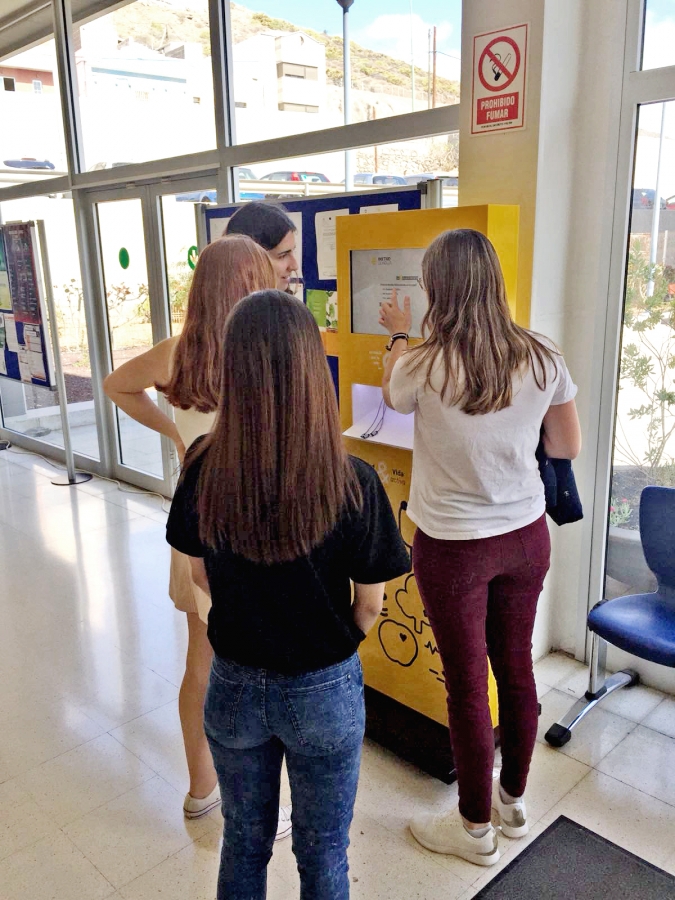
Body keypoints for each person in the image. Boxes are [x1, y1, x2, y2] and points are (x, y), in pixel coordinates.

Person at [166, 290, 410, 900]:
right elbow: (372, 603)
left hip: (234, 683)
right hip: (324, 685)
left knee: (244, 843)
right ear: (311, 372)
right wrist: (338, 641)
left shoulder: (203, 467)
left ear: (234, 372)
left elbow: (199, 575)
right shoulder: (351, 479)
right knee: (324, 850)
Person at [379, 228, 581, 867]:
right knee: (516, 669)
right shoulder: (543, 356)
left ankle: (472, 830)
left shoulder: (420, 362)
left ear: (438, 288)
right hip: (525, 537)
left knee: (467, 687)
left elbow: (390, 395)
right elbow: (566, 446)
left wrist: (396, 335)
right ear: (493, 281)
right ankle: (512, 802)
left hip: (453, 548)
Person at [103, 236, 292, 839]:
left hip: (199, 527)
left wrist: (179, 438)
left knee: (202, 663)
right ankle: (262, 799)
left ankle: (201, 790)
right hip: (264, 529)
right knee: (270, 665)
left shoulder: (180, 353)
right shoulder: (273, 348)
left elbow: (114, 384)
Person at [226, 202, 299, 292]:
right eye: (282, 256)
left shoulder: (283, 304)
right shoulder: (226, 304)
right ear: (249, 261)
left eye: (292, 251)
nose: (294, 266)